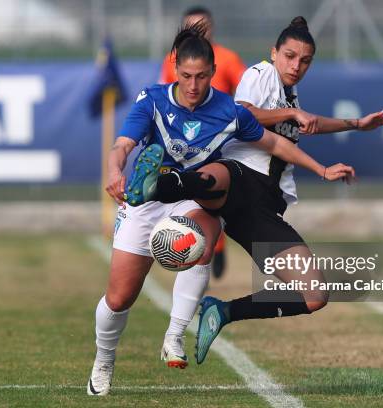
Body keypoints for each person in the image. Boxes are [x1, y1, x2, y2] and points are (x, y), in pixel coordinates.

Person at [88, 22, 355, 396]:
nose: (193, 85)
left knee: (206, 231)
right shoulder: (152, 99)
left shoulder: (229, 111)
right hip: (142, 202)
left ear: (213, 72)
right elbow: (122, 145)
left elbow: (277, 146)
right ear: (174, 67)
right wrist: (115, 169)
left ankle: (175, 335)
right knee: (118, 299)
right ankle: (104, 360)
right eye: (185, 76)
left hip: (192, 198)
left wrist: (321, 168)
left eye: (201, 76)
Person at [151, 16, 383, 365]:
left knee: (314, 294)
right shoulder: (261, 74)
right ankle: (163, 184)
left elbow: (307, 122)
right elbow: (244, 113)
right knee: (217, 181)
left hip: (263, 207)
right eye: (289, 56)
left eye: (305, 61)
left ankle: (223, 312)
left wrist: (356, 124)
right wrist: (293, 113)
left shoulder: (290, 94)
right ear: (274, 53)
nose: (296, 65)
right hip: (239, 178)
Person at [160, 6, 247, 279]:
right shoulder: (172, 60)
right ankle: (195, 253)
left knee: (210, 197)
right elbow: (165, 99)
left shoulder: (228, 59)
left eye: (203, 26)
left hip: (217, 142)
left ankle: (215, 246)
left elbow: (245, 96)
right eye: (192, 27)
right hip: (183, 142)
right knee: (185, 198)